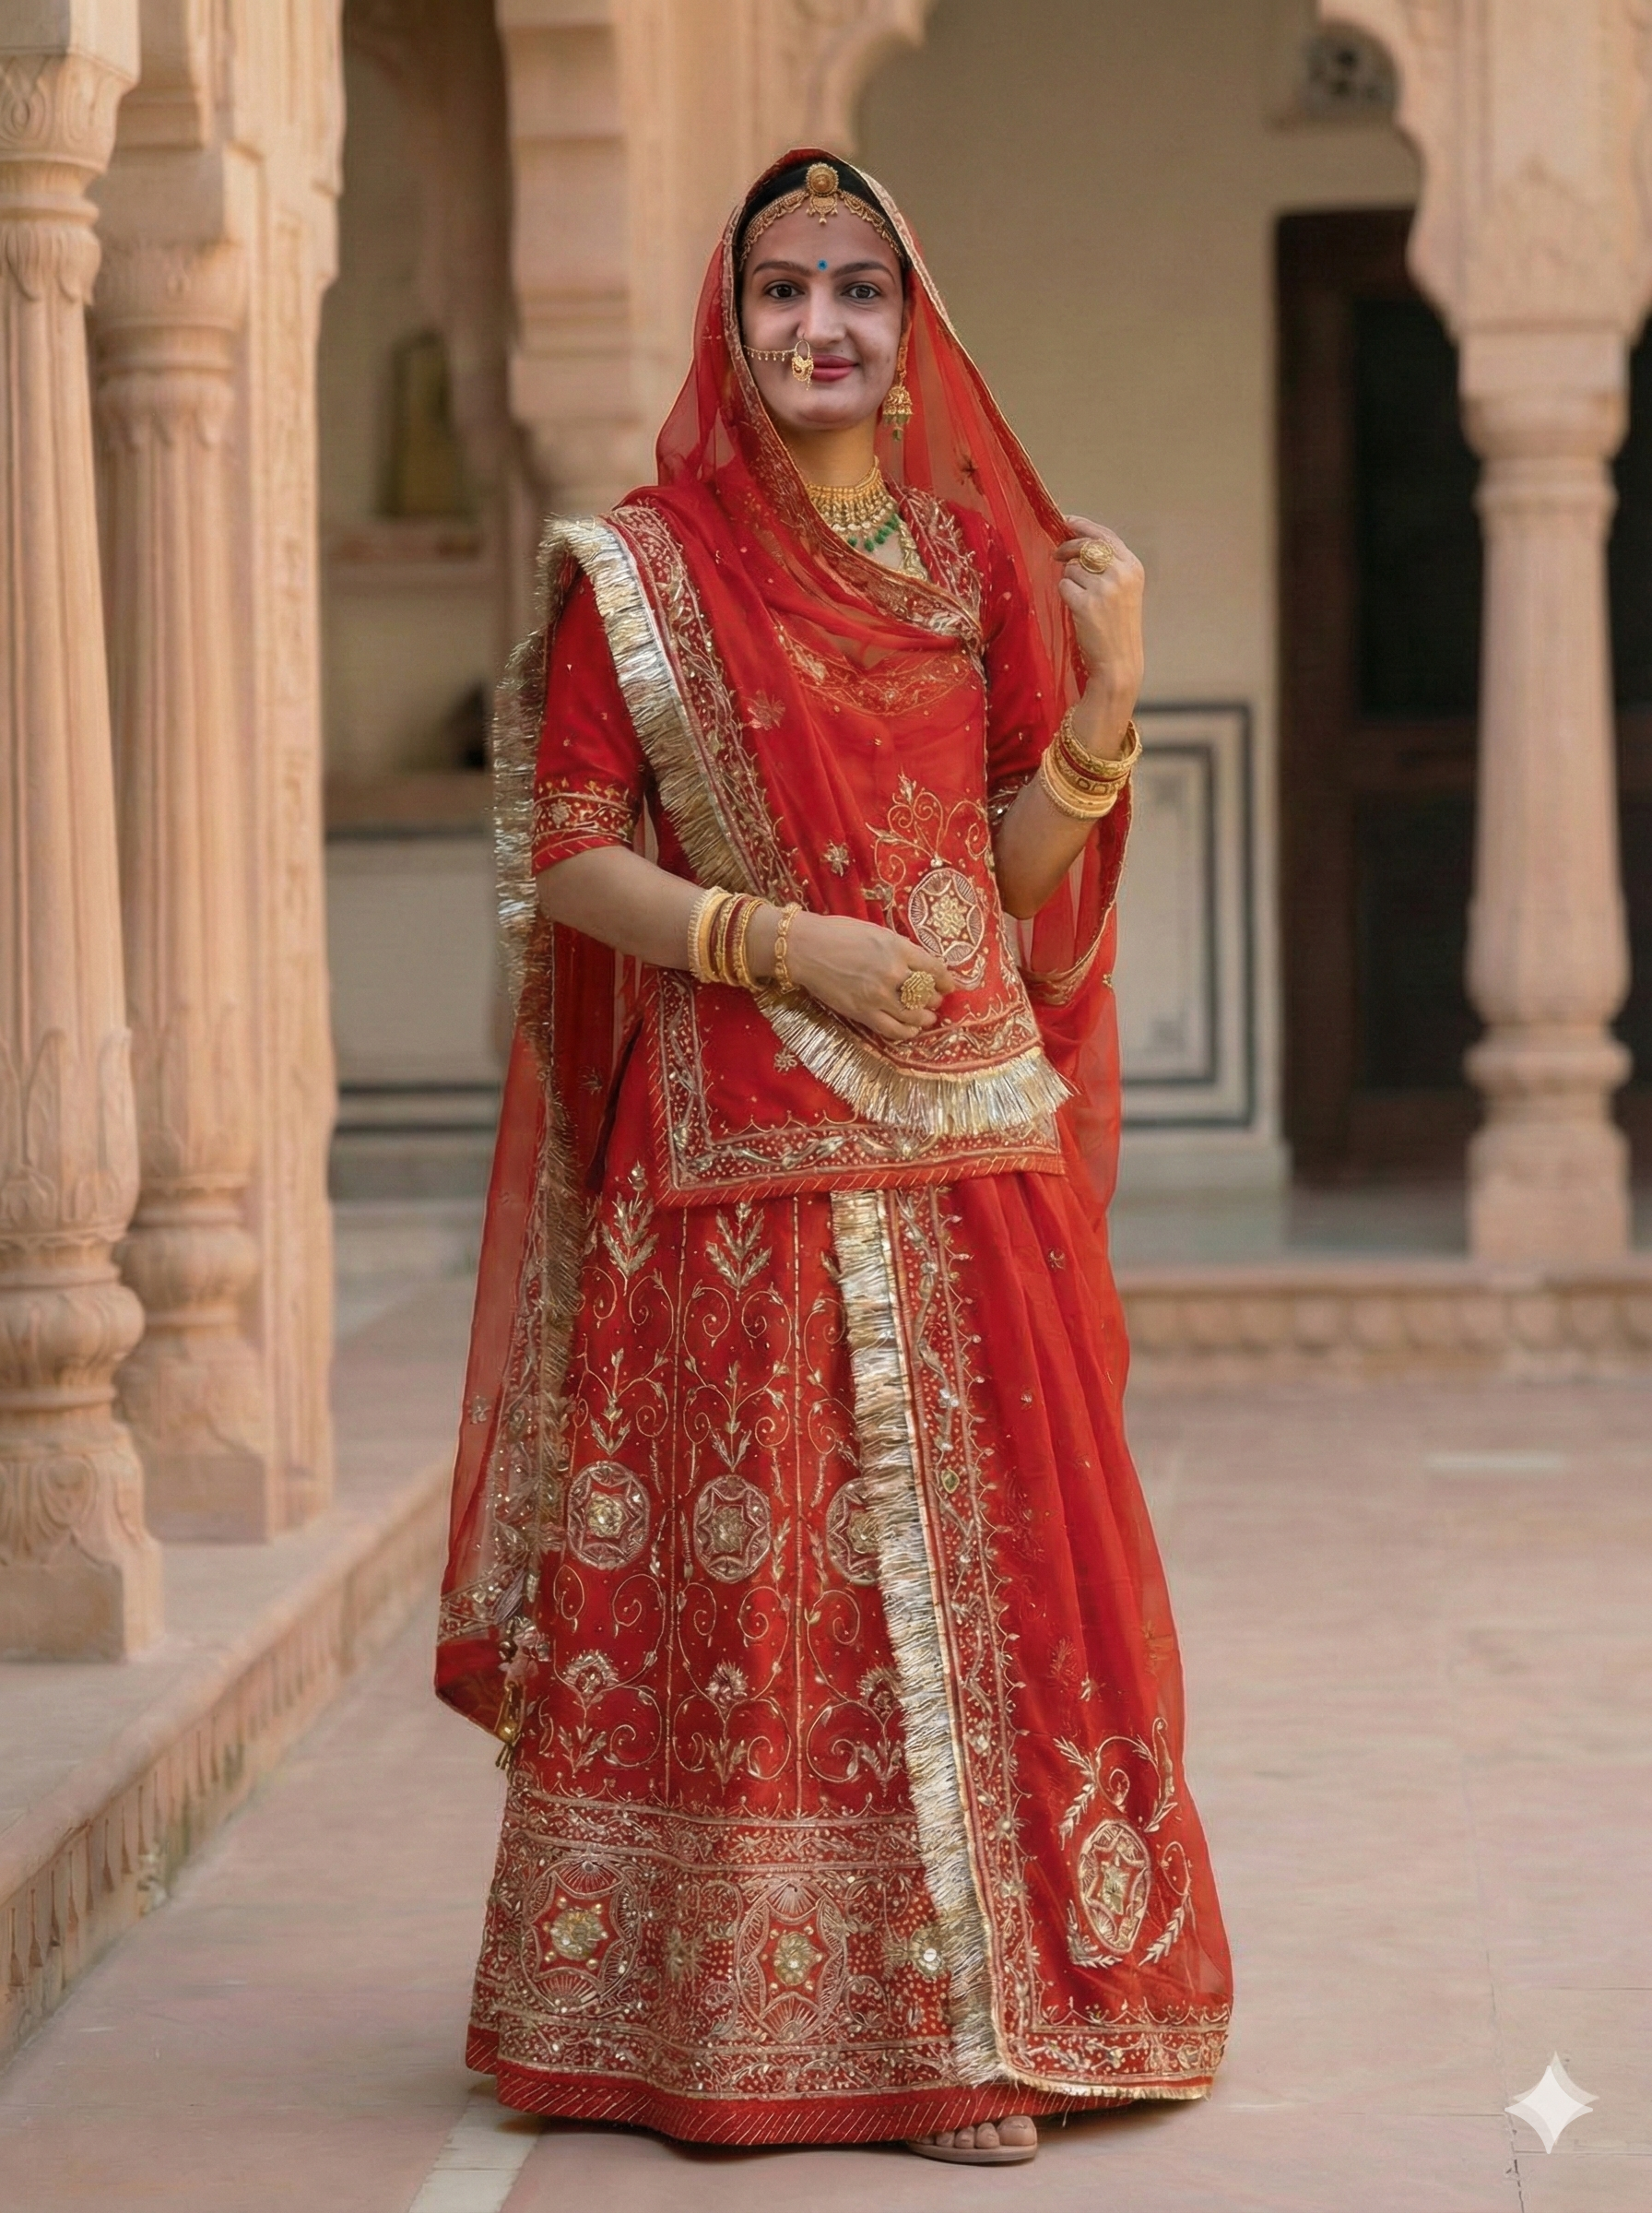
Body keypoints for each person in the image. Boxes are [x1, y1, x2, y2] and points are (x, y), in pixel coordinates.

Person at [438, 150, 1232, 2167]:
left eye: (855, 291)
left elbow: (1013, 878)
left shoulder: (974, 568)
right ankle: (723, 2023)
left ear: (909, 327)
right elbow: (566, 850)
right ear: (734, 321)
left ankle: (990, 2021)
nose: (817, 326)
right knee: (774, 1593)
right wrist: (771, 939)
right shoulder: (646, 567)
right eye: (781, 289)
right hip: (734, 1160)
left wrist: (1112, 702)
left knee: (984, 1585)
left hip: (962, 1146)